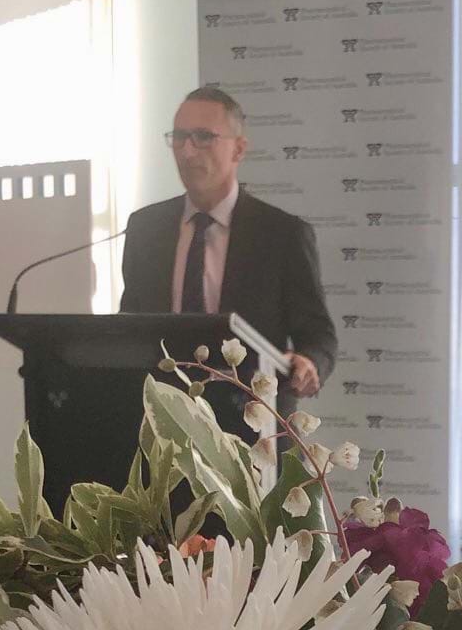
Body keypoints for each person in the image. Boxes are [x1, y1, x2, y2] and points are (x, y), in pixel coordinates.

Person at [119, 85, 335, 410]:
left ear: (238, 149)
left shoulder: (282, 234)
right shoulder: (145, 228)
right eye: (179, 136)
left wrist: (308, 361)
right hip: (165, 420)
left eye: (203, 137)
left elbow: (318, 336)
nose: (187, 151)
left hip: (251, 422)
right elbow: (131, 324)